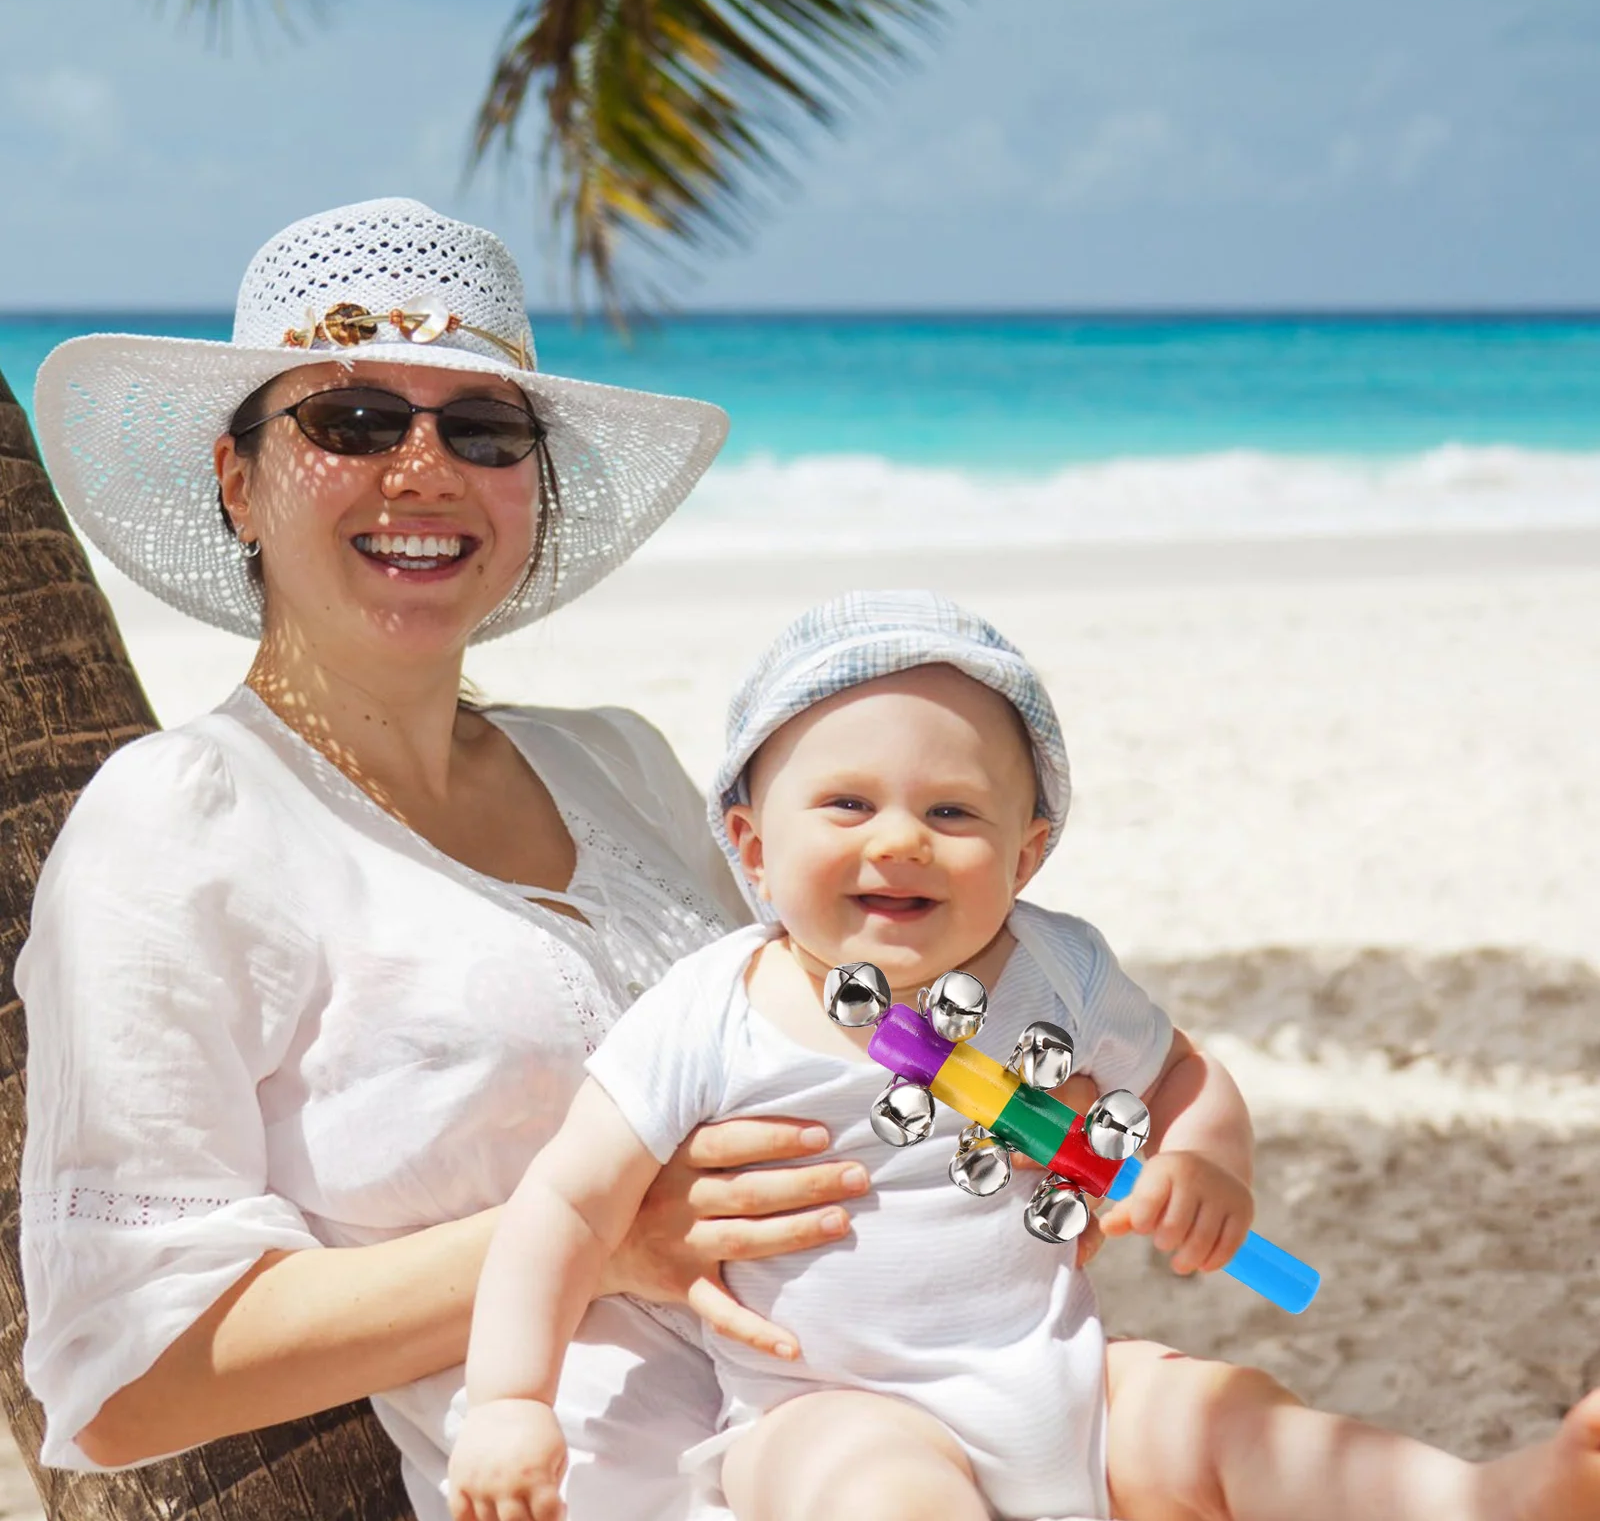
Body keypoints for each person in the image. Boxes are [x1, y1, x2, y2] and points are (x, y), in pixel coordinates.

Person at [16, 196, 869, 1521]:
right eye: (352, 422)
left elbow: (845, 1029)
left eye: (482, 430)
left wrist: (1082, 1134)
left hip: (892, 1411)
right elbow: (130, 1378)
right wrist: (606, 1239)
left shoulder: (620, 765)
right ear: (237, 481)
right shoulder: (177, 820)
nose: (423, 470)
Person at [447, 592, 1600, 1521]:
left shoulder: (1056, 968)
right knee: (875, 1491)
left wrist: (1207, 1165)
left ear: (1027, 852)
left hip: (1062, 1380)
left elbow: (1185, 1077)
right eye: (845, 803)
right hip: (827, 1404)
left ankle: (1482, 1497)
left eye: (953, 814)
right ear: (751, 843)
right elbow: (565, 1203)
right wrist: (509, 1396)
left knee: (1229, 1416)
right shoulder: (712, 1009)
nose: (898, 838)